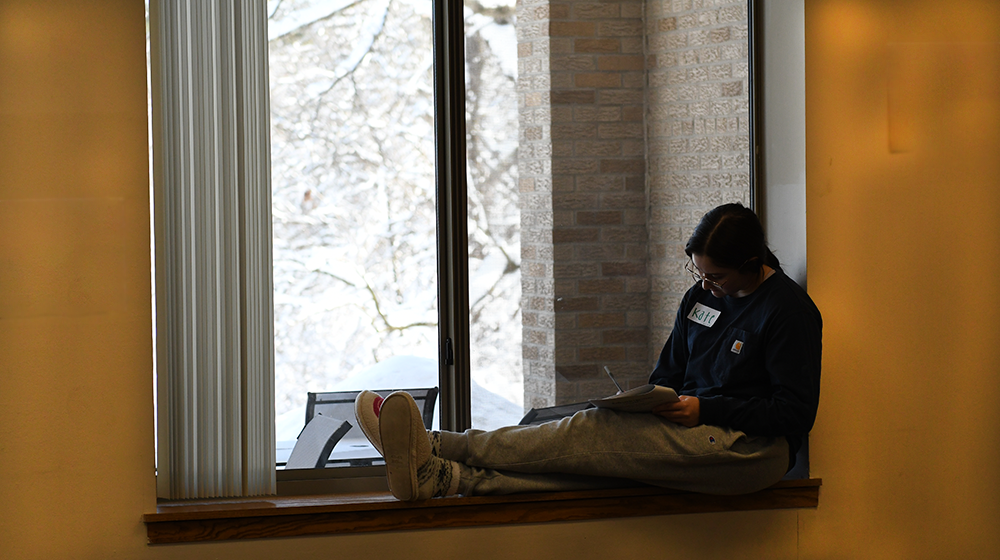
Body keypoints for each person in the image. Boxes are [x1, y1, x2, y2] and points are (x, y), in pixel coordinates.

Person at [355, 202, 822, 501]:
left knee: (590, 432)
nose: (705, 286)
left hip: (750, 451)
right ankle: (445, 479)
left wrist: (706, 407)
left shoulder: (787, 312)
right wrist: (651, 399)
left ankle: (433, 444)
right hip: (695, 426)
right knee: (583, 452)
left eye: (716, 277)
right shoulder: (699, 299)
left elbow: (794, 413)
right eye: (697, 273)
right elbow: (670, 371)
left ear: (750, 264)